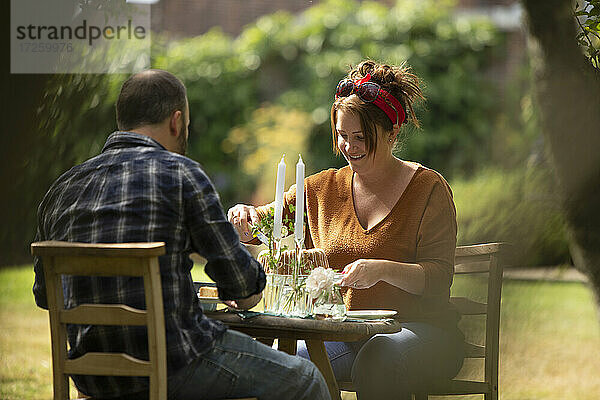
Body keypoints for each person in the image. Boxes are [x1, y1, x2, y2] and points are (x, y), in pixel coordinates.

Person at [33, 69, 330, 400]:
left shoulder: (61, 189)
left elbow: (45, 296)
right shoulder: (181, 175)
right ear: (176, 122)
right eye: (186, 127)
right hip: (178, 365)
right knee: (305, 379)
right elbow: (243, 287)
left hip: (94, 378)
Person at [228, 60, 465, 399]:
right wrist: (244, 218)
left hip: (422, 332)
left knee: (379, 356)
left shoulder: (428, 189)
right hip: (345, 334)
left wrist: (381, 270)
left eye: (361, 138)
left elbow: (439, 277)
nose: (350, 148)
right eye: (342, 136)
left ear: (392, 132)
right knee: (283, 364)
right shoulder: (321, 188)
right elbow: (267, 224)